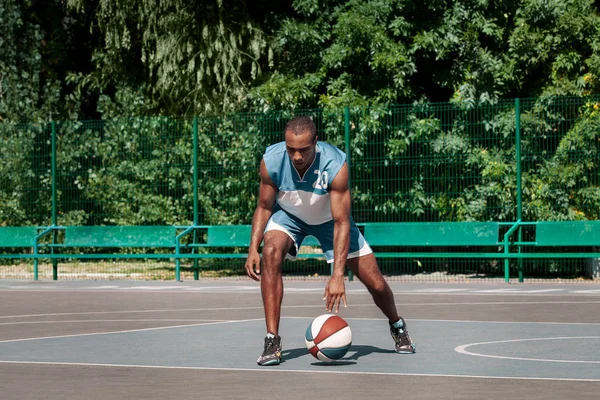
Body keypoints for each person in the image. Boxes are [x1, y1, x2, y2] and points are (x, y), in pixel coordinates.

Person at [244, 116, 416, 366]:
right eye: (291, 149)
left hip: (331, 221)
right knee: (270, 252)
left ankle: (397, 325)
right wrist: (252, 248)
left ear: (316, 141)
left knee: (376, 284)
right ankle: (272, 339)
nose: (296, 156)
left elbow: (342, 222)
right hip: (290, 216)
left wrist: (337, 275)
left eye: (303, 150)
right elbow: (263, 206)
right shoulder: (271, 160)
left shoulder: (335, 164)